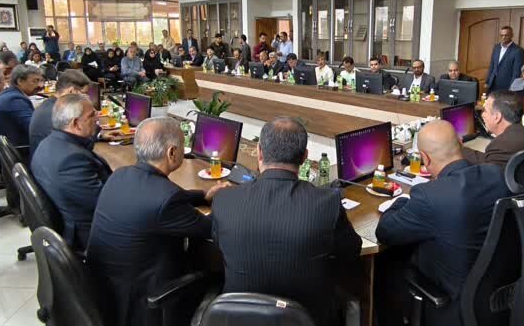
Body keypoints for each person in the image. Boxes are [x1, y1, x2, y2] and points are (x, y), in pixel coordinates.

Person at [211, 117, 361, 326]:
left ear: (259, 152)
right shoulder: (328, 203)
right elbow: (352, 251)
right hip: (308, 319)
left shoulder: (224, 200)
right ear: (305, 157)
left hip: (238, 320)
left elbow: (218, 244)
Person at [87, 117, 230, 326]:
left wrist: (204, 196)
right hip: (143, 299)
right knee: (215, 268)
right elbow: (213, 229)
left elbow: (165, 196)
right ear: (172, 152)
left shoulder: (121, 175)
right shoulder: (166, 199)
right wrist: (232, 204)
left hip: (107, 289)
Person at [375, 120, 509, 326]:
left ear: (425, 158)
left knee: (385, 262)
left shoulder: (429, 196)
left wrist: (400, 201)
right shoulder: (496, 174)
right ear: (460, 144)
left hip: (453, 299)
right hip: (495, 290)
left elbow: (385, 232)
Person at [32, 93, 112, 252]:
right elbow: (105, 204)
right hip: (90, 234)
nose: (97, 118)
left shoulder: (50, 143)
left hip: (73, 216)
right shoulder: (71, 161)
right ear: (76, 123)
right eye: (91, 115)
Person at [462, 90, 524, 167]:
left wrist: (457, 148)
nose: (482, 115)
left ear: (497, 117)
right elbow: (488, 159)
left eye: (485, 111)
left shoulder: (500, 145)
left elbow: (485, 163)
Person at [0, 65, 44, 172]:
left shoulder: (10, 94)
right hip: (16, 157)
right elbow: (34, 130)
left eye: (40, 81)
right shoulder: (14, 100)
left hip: (9, 152)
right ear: (20, 81)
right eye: (35, 81)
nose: (40, 85)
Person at [29, 69, 92, 155]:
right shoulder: (58, 113)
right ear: (71, 91)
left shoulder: (49, 105)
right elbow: (82, 146)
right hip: (55, 159)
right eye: (84, 94)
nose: (87, 98)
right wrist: (94, 127)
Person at [485, 26, 524, 93]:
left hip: (506, 86)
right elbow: (492, 65)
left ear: (512, 35)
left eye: (506, 35)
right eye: (502, 35)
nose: (503, 37)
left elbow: (516, 72)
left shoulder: (518, 50)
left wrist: (512, 88)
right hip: (492, 84)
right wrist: (487, 81)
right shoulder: (496, 47)